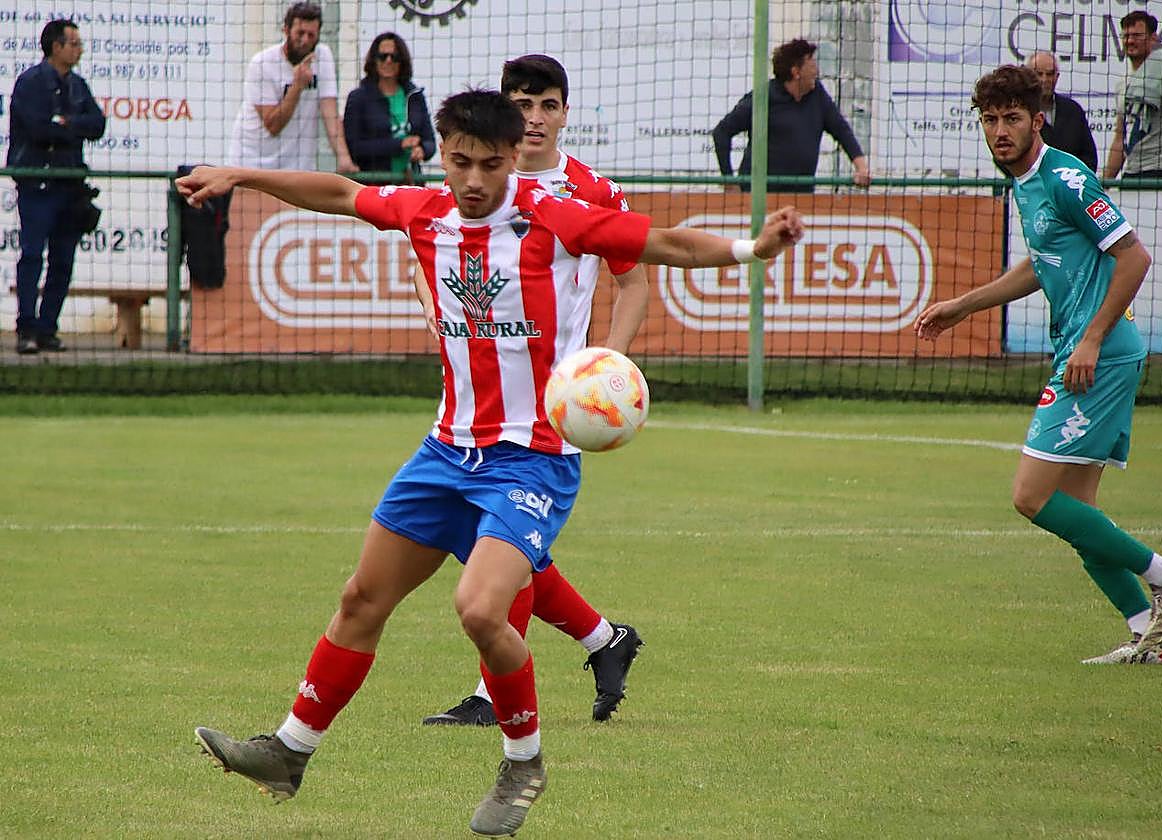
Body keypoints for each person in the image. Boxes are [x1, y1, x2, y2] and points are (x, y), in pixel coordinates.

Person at [176, 89, 802, 837]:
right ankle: (288, 752)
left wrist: (750, 251)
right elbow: (340, 193)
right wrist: (242, 175)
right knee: (359, 601)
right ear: (444, 152)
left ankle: (522, 762)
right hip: (446, 450)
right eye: (460, 161)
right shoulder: (424, 212)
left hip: (532, 459)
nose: (473, 180)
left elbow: (660, 242)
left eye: (491, 164)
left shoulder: (552, 214)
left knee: (478, 608)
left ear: (515, 158)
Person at [915, 65, 1162, 666]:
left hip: (1101, 357)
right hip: (1087, 354)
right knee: (1080, 515)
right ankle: (1151, 633)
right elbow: (1038, 263)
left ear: (1036, 119)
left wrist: (1092, 339)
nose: (1000, 131)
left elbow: (1135, 256)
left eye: (1012, 119)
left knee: (1030, 496)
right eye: (990, 120)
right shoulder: (1022, 182)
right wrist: (962, 306)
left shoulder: (1065, 175)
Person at [419, 54, 649, 729]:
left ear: (565, 112)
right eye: (523, 104)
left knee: (501, 537)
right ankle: (606, 639)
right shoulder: (482, 181)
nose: (535, 117)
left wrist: (604, 373)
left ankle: (495, 697)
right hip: (478, 392)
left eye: (547, 104)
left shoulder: (593, 192)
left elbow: (633, 280)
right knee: (495, 539)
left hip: (555, 405)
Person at [6, 18, 105, 355]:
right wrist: (67, 129)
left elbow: (98, 124)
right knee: (33, 255)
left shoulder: (77, 85)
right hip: (38, 184)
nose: (79, 49)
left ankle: (48, 328)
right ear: (56, 46)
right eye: (74, 43)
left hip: (69, 186)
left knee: (64, 259)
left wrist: (67, 124)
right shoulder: (31, 82)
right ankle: (26, 329)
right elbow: (37, 129)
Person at [712, 38, 869, 193]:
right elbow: (722, 132)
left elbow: (841, 130)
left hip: (802, 197)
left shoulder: (818, 96)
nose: (817, 71)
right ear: (796, 72)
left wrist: (861, 167)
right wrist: (729, 181)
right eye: (812, 65)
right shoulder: (763, 98)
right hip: (759, 196)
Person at [227, 2, 355, 172]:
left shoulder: (323, 56)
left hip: (298, 166)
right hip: (253, 161)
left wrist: (343, 158)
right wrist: (297, 86)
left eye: (311, 35)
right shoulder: (262, 63)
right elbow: (273, 126)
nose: (305, 41)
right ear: (286, 30)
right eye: (300, 33)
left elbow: (330, 113)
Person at [1102, 11, 1162, 181]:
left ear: (1153, 38)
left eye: (1137, 35)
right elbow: (1120, 139)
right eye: (1126, 36)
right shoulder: (1123, 84)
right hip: (1131, 174)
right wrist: (1104, 182)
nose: (1130, 41)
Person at [343, 32, 435, 181]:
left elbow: (430, 141)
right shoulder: (358, 98)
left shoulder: (414, 96)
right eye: (382, 56)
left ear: (402, 62)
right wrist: (399, 145)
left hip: (410, 184)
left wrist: (422, 150)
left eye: (395, 57)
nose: (388, 61)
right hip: (373, 185)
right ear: (374, 60)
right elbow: (355, 148)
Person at [1026, 51, 1098, 172]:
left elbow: (1089, 157)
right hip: (1031, 186)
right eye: (1039, 74)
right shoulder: (1019, 112)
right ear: (1028, 76)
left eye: (1050, 74)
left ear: (1057, 76)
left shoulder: (1073, 110)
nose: (1045, 79)